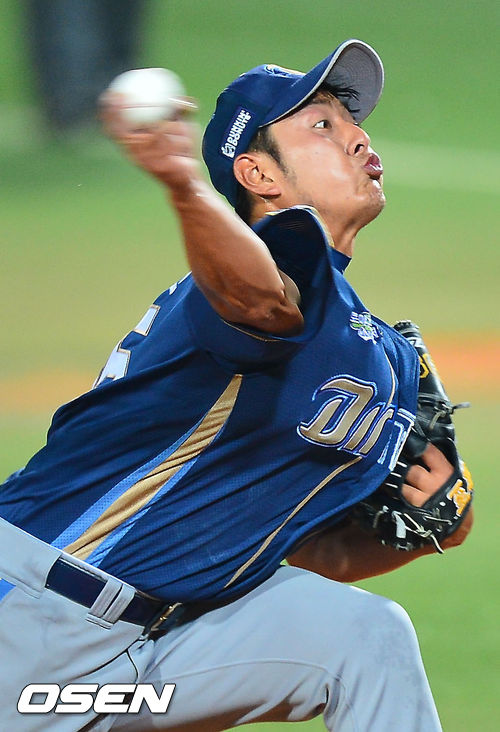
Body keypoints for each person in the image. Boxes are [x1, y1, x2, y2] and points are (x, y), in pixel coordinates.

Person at [0, 39, 472, 731]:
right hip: (31, 613)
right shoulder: (255, 281)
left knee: (364, 638)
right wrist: (182, 184)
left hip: (168, 640)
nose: (357, 137)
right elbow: (262, 302)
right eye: (322, 124)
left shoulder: (381, 358)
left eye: (352, 121)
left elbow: (311, 552)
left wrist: (439, 525)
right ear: (258, 174)